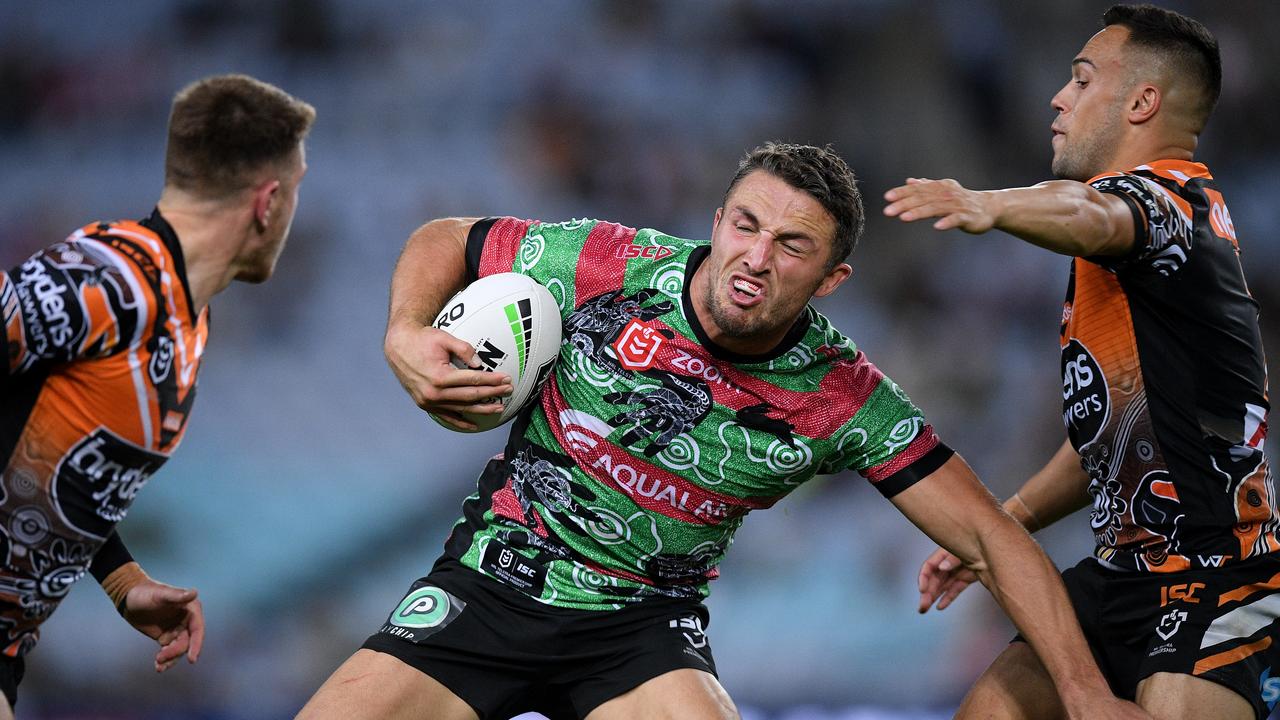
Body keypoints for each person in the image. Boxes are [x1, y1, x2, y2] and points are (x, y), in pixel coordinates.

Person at [298, 141, 1145, 720]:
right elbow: (447, 238)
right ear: (717, 219)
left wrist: (1085, 697)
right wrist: (405, 330)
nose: (756, 256)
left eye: (792, 245)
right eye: (745, 225)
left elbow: (995, 540)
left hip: (639, 631)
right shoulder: (609, 264)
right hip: (489, 589)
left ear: (833, 276)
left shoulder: (843, 395)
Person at [886, 5, 1274, 719]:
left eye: (1082, 79)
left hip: (1217, 572)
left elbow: (1093, 214)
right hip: (1120, 573)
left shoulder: (1174, 201)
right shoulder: (1144, 268)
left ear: (1142, 102)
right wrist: (1006, 526)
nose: (1058, 98)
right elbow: (1116, 433)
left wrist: (989, 204)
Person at [0, 74, 314, 714]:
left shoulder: (188, 319)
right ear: (269, 201)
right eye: (299, 191)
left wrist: (122, 579)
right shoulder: (110, 280)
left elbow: (55, 457)